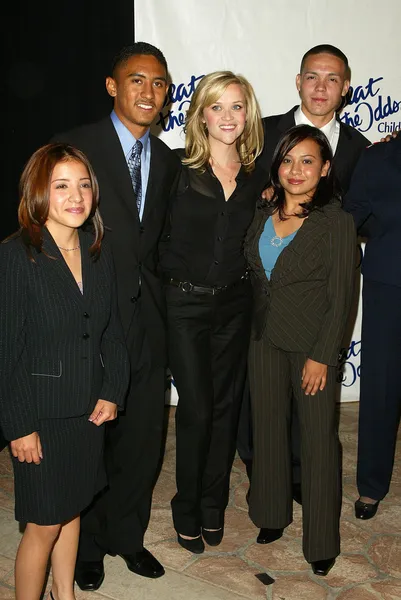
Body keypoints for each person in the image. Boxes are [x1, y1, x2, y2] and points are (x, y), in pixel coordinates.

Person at [52, 42, 181, 590]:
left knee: (143, 437)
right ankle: (89, 544)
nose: (148, 92)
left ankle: (127, 537)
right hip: (93, 319)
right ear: (113, 86)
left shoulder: (170, 159)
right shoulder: (76, 147)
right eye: (137, 80)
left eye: (158, 83)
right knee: (92, 439)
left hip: (150, 321)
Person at [237, 43, 370, 508]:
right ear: (298, 81)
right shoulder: (265, 131)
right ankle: (268, 490)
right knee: (265, 415)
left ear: (346, 88)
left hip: (316, 299)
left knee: (314, 427)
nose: (321, 87)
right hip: (263, 295)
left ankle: (308, 495)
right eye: (312, 76)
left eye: (332, 79)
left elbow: (362, 219)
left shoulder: (360, 148)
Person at [0, 143, 130, 600]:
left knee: (74, 508)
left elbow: (112, 332)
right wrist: (19, 426)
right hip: (40, 416)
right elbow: (6, 351)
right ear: (39, 193)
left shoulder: (98, 251)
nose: (75, 196)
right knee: (43, 524)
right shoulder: (17, 256)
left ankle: (65, 593)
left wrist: (113, 390)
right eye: (61, 186)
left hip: (88, 410)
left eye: (83, 185)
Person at [159, 71, 267, 553]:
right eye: (217, 106)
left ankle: (212, 505)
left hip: (234, 305)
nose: (228, 116)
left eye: (237, 106)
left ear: (249, 115)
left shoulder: (257, 173)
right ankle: (186, 506)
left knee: (226, 408)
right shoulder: (176, 170)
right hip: (184, 304)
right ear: (201, 112)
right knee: (198, 409)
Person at [245, 124, 356, 576]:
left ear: (325, 168)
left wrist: (323, 355)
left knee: (317, 443)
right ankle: (271, 516)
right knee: (267, 433)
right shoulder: (263, 210)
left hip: (311, 348)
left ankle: (321, 541)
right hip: (264, 340)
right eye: (288, 160)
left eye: (307, 161)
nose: (296, 170)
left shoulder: (336, 222)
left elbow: (343, 296)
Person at [344, 136, 401, 520]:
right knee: (381, 387)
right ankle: (371, 485)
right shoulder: (377, 158)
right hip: (388, 284)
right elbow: (352, 217)